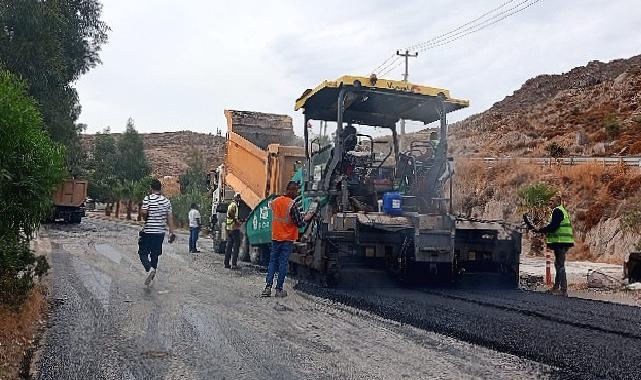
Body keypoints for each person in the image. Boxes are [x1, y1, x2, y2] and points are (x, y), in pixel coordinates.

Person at [261, 181, 314, 297]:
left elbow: (279, 213)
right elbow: (299, 223)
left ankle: (267, 288)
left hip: (276, 236)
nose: (297, 194)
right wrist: (306, 217)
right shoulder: (292, 204)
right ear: (292, 191)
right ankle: (279, 289)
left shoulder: (275, 202)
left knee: (272, 262)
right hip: (287, 238)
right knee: (283, 263)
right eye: (296, 191)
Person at [534, 195, 575, 296]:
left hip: (561, 242)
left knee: (560, 265)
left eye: (552, 201)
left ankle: (563, 290)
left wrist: (541, 230)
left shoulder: (557, 211)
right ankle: (556, 287)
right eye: (549, 201)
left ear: (558, 202)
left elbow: (554, 226)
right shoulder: (560, 211)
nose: (550, 202)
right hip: (562, 242)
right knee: (558, 264)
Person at [138, 179, 176, 286]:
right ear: (160, 188)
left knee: (143, 253)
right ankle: (153, 271)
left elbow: (144, 212)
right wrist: (171, 232)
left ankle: (149, 268)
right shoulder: (166, 201)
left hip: (148, 231)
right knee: (155, 254)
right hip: (160, 233)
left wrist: (144, 215)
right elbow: (170, 218)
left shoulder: (148, 199)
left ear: (151, 188)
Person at [224, 192, 243, 269]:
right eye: (238, 197)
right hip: (234, 228)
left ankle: (226, 263)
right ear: (235, 198)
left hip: (229, 228)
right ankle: (234, 264)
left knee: (229, 246)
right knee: (236, 246)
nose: (239, 199)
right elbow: (230, 213)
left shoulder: (232, 205)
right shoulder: (233, 205)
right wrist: (236, 221)